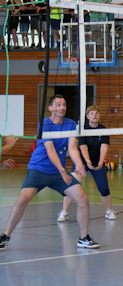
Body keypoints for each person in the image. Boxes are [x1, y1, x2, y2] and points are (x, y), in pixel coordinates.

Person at [0, 95, 100, 251]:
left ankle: (83, 238)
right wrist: (62, 171)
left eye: (64, 105)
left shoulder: (70, 124)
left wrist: (80, 164)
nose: (62, 108)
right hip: (38, 169)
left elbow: (72, 147)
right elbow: (50, 150)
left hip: (58, 173)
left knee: (83, 198)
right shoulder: (44, 124)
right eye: (58, 105)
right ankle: (5, 236)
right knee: (22, 200)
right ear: (50, 108)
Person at [58, 105, 116, 222]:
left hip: (97, 163)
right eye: (92, 113)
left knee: (104, 188)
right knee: (71, 186)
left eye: (97, 113)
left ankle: (109, 211)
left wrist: (100, 162)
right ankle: (64, 212)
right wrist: (87, 162)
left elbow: (104, 147)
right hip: (81, 163)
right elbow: (83, 147)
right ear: (87, 116)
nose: (95, 115)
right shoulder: (82, 129)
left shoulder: (103, 129)